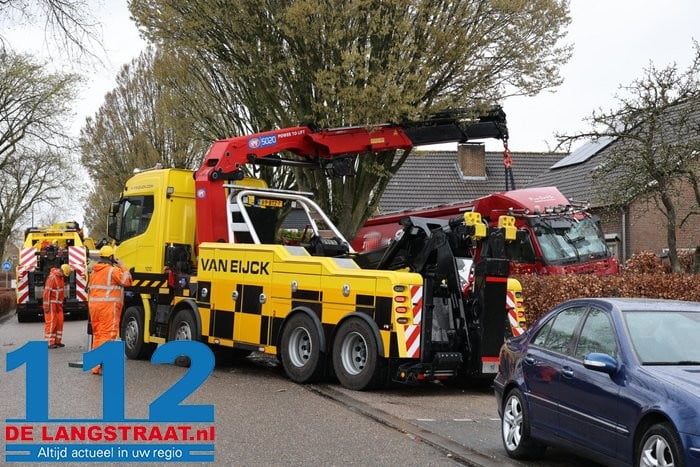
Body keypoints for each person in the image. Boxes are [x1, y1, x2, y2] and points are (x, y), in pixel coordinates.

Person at [87, 245, 132, 375]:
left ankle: (96, 366)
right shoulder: (113, 271)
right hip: (108, 307)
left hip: (94, 307)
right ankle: (104, 364)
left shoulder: (94, 271)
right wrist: (123, 266)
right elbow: (127, 281)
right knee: (108, 334)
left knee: (98, 335)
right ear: (111, 257)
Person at [43, 264, 72, 348]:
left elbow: (61, 292)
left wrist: (61, 302)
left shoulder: (60, 278)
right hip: (51, 303)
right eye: (64, 274)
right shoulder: (52, 278)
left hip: (58, 304)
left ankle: (57, 341)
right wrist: (46, 305)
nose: (64, 276)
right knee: (52, 322)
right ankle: (49, 342)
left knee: (59, 322)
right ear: (61, 271)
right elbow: (46, 292)